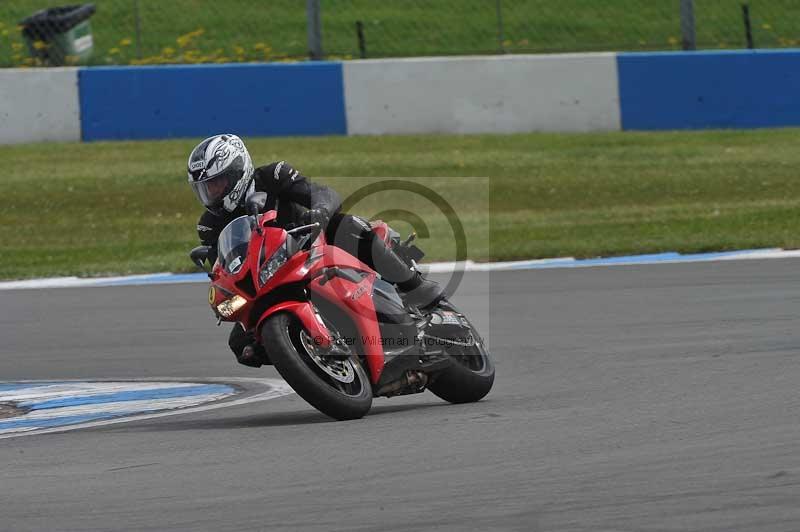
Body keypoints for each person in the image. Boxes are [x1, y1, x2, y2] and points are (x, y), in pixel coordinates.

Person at [187, 134, 444, 367]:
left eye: (216, 184)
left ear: (237, 173)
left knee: (345, 225)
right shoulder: (208, 225)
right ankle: (312, 357)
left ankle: (413, 286)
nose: (211, 194)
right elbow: (224, 266)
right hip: (270, 276)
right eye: (204, 189)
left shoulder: (273, 175)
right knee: (241, 343)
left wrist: (319, 211)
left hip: (314, 244)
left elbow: (323, 193)